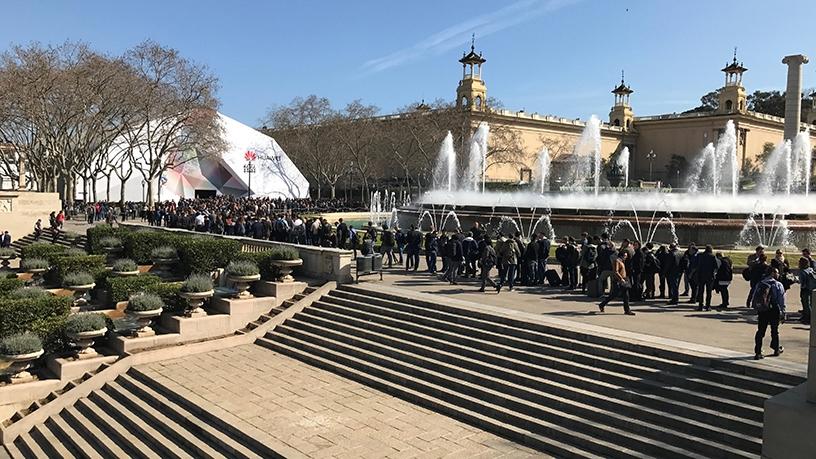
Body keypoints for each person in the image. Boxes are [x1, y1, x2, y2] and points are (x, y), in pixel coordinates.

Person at [750, 267, 786, 360]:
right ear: (773, 273)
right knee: (774, 330)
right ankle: (776, 348)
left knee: (760, 331)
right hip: (774, 309)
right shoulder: (778, 285)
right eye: (777, 272)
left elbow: (755, 296)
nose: (778, 274)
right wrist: (783, 312)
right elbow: (781, 300)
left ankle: (758, 351)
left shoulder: (760, 283)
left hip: (763, 309)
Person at [598, 250, 635, 315]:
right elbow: (616, 271)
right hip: (618, 281)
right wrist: (621, 279)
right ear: (622, 255)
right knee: (614, 295)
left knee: (626, 296)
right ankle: (602, 304)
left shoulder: (621, 261)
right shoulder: (617, 261)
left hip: (623, 279)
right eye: (625, 256)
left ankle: (627, 310)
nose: (626, 257)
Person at [695, 245, 719, 311]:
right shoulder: (712, 256)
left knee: (701, 291)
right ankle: (707, 306)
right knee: (709, 292)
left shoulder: (701, 256)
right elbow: (716, 267)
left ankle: (700, 305)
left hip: (701, 275)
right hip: (710, 276)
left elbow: (698, 265)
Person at [797, 257, 816, 324]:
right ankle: (809, 317)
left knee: (806, 305)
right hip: (811, 289)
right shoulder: (810, 269)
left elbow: (802, 283)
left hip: (805, 290)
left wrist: (797, 281)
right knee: (810, 304)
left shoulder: (802, 271)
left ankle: (808, 319)